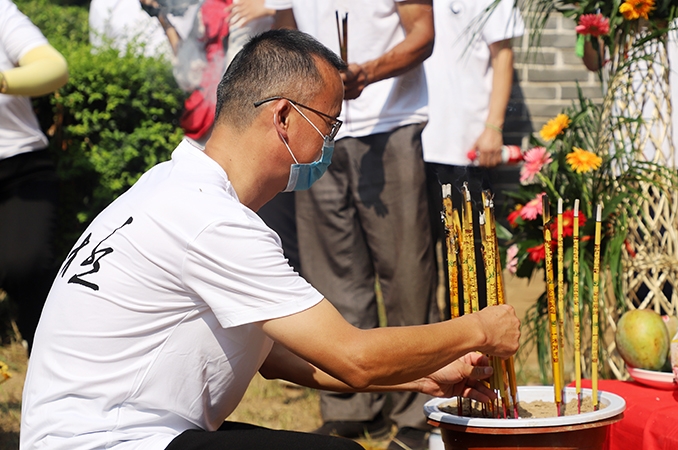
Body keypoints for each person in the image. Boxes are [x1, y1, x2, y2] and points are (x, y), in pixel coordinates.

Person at [19, 29, 521, 450]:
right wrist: (479, 328)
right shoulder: (211, 220)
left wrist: (419, 375)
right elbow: (354, 357)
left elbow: (277, 355)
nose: (331, 145)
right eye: (329, 125)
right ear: (283, 118)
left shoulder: (169, 188)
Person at [270, 2, 439, 448]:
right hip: (318, 130)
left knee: (406, 276)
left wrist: (368, 72)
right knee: (332, 276)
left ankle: (417, 413)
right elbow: (284, 32)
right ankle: (351, 406)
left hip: (389, 125)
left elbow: (422, 34)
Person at [583, 10, 678, 330]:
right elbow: (593, 60)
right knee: (634, 273)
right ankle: (640, 372)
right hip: (629, 156)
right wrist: (589, 20)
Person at [422, 0, 524, 316]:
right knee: (421, 262)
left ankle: (480, 353)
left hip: (464, 145)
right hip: (412, 141)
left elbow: (503, 54)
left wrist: (494, 125)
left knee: (473, 262)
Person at [0, 0, 69, 354]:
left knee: (24, 265)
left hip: (20, 166)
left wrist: (2, 80)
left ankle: (47, 352)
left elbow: (54, 68)